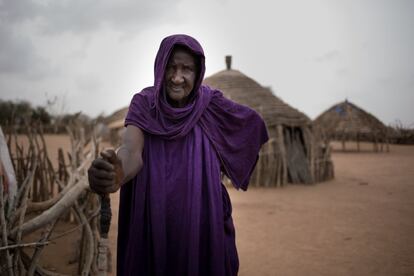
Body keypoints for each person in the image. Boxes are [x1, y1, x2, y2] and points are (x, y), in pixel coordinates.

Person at [88, 34, 268, 276]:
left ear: (198, 72)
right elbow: (131, 151)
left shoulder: (210, 105)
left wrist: (224, 162)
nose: (177, 77)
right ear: (160, 67)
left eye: (187, 69)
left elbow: (253, 126)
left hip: (202, 218)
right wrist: (117, 172)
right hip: (152, 218)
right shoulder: (144, 104)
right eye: (171, 67)